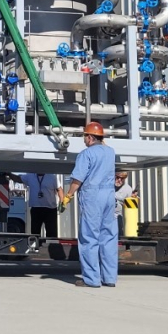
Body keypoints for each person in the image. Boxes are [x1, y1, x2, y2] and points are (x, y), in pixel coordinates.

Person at [62, 122, 118, 288]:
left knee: (89, 237)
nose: (84, 139)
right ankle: (109, 278)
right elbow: (104, 150)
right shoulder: (110, 152)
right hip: (109, 196)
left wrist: (68, 196)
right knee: (108, 236)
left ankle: (92, 279)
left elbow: (77, 179)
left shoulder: (85, 154)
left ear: (90, 137)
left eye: (85, 136)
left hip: (92, 196)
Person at [6, 172, 60, 238]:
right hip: (36, 209)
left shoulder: (52, 177)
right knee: (35, 233)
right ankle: (36, 247)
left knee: (52, 233)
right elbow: (18, 179)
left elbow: (59, 190)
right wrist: (9, 174)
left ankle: (52, 247)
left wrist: (62, 203)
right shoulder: (30, 176)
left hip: (50, 209)